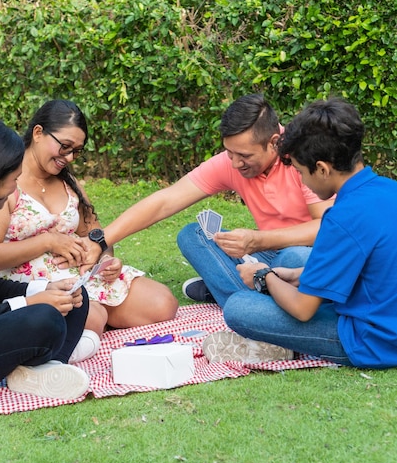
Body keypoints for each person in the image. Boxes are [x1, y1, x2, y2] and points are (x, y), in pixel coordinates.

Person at [76, 94, 334, 308]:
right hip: (265, 251)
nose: (234, 163)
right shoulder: (233, 162)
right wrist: (101, 239)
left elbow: (329, 228)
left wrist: (259, 240)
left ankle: (239, 297)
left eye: (243, 155)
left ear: (274, 143)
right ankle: (255, 298)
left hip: (309, 252)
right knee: (192, 236)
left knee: (295, 260)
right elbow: (166, 200)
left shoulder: (304, 155)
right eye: (229, 152)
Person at [203, 97, 397, 369]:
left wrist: (264, 275)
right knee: (294, 267)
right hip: (384, 317)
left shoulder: (341, 218)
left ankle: (279, 345)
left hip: (373, 341)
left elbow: (303, 309)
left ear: (322, 168)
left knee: (240, 308)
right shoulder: (389, 190)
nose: (302, 181)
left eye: (301, 172)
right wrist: (294, 276)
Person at [0, 100, 178, 363]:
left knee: (163, 303)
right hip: (38, 282)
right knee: (91, 315)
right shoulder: (7, 183)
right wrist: (47, 241)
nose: (68, 158)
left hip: (83, 275)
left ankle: (95, 322)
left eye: (76, 152)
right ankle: (87, 325)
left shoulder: (68, 182)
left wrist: (105, 259)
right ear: (37, 133)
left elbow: (96, 234)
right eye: (64, 146)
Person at [0, 115, 90, 399]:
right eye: (15, 180)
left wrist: (44, 289)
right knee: (44, 318)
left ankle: (47, 368)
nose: (18, 188)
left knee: (73, 295)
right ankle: (37, 368)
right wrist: (27, 303)